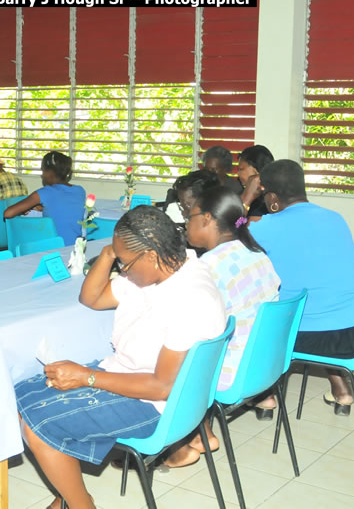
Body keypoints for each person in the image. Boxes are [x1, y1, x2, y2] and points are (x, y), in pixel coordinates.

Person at [15, 206, 227, 509]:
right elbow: (91, 298)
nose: (122, 270)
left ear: (151, 255)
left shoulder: (189, 297)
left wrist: (86, 377)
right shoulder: (158, 273)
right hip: (130, 375)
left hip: (157, 404)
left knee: (39, 424)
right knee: (22, 394)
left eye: (125, 263)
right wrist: (108, 255)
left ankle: (79, 504)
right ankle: (70, 492)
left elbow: (162, 386)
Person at [161, 186, 281, 468]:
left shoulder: (209, 266)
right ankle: (203, 429)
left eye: (187, 216)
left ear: (206, 219)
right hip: (263, 365)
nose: (184, 223)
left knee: (167, 350)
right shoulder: (257, 254)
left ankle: (183, 440)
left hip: (232, 371)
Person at [250, 160, 354, 416]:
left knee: (257, 316)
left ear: (272, 198)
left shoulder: (265, 228)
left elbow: (229, 232)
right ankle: (341, 390)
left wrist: (245, 198)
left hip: (309, 337)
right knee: (322, 298)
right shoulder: (335, 218)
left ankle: (265, 396)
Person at [3, 151, 86, 245]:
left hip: (53, 248)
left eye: (43, 171)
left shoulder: (44, 192)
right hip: (75, 248)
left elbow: (8, 213)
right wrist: (42, 208)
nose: (42, 175)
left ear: (50, 173)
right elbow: (64, 209)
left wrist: (23, 210)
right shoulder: (80, 191)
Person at [238, 145, 275, 223]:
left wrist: (246, 201)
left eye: (241, 169)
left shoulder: (265, 203)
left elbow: (235, 226)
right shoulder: (242, 194)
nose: (238, 173)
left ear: (256, 171)